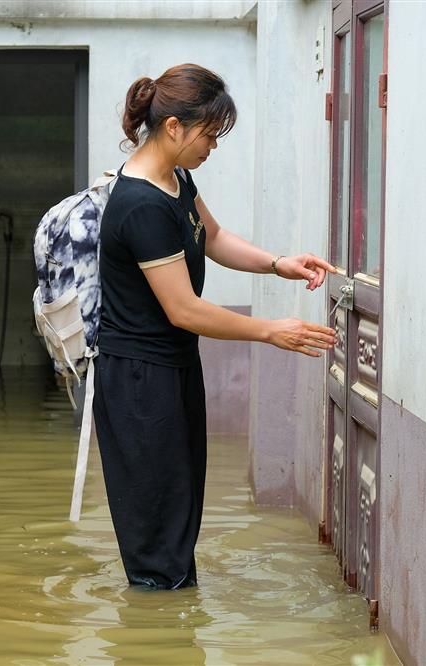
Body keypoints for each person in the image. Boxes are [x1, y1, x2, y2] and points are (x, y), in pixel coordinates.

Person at [93, 63, 337, 590]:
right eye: (210, 134)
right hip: (139, 382)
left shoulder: (176, 179)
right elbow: (184, 309)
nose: (214, 147)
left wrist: (279, 263)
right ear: (175, 127)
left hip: (173, 368)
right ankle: (157, 630)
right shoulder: (139, 205)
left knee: (178, 517)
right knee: (157, 533)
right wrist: (271, 331)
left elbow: (215, 237)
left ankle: (171, 623)